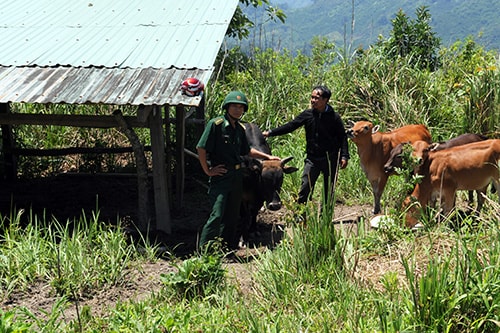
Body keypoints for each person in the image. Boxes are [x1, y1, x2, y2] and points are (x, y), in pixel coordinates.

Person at [196, 91, 279, 251]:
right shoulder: (216, 124)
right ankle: (204, 252)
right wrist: (207, 170)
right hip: (221, 175)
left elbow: (247, 151)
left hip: (237, 175)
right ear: (227, 107)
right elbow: (201, 147)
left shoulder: (240, 129)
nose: (237, 110)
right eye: (234, 106)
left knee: (232, 216)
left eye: (241, 107)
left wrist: (268, 156)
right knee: (217, 214)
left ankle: (225, 248)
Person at [263, 85, 349, 205]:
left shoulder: (334, 117)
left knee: (329, 190)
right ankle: (300, 216)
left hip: (330, 159)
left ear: (325, 100)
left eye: (316, 98)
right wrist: (270, 133)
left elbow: (342, 137)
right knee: (305, 187)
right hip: (312, 159)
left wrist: (344, 156)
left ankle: (325, 219)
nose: (313, 100)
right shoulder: (308, 115)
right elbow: (291, 126)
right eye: (312, 97)